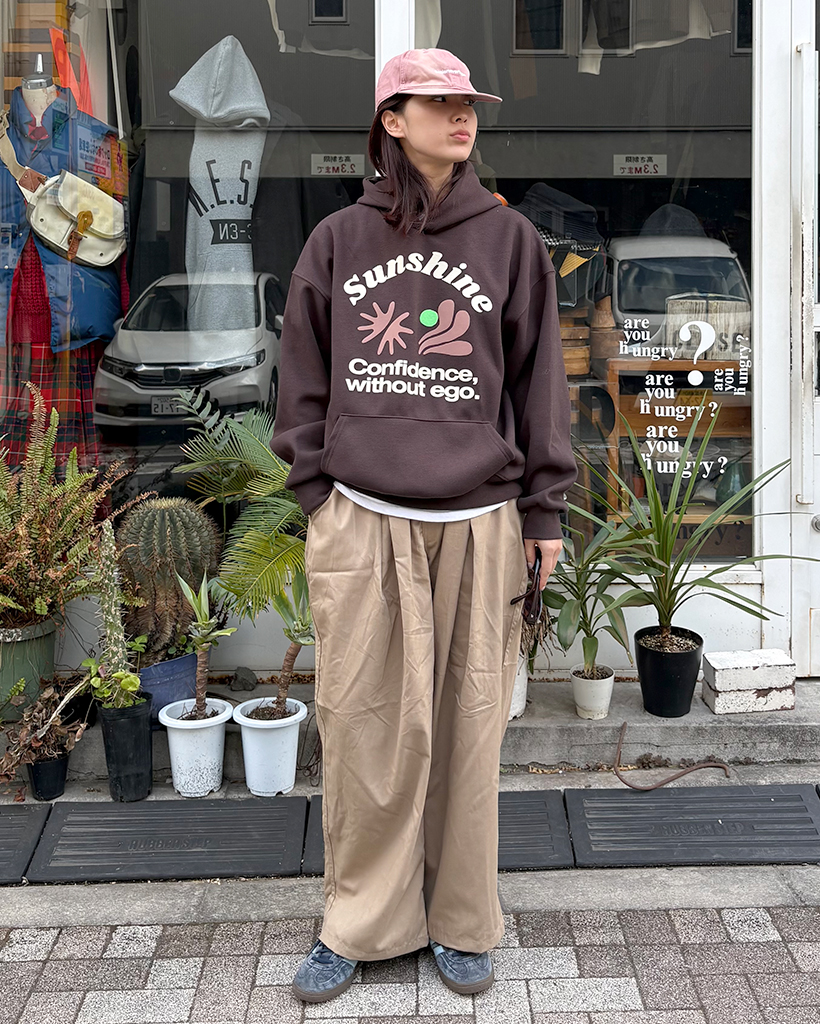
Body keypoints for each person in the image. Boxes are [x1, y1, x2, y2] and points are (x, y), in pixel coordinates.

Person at [270, 47, 577, 1004]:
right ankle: (360, 922)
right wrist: (319, 495)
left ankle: (462, 919)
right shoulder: (337, 241)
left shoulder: (510, 239)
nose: (462, 116)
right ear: (392, 122)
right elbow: (301, 377)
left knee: (470, 729)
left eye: (468, 102)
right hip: (363, 518)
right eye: (439, 103)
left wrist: (544, 509)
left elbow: (540, 383)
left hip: (480, 517)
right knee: (364, 728)